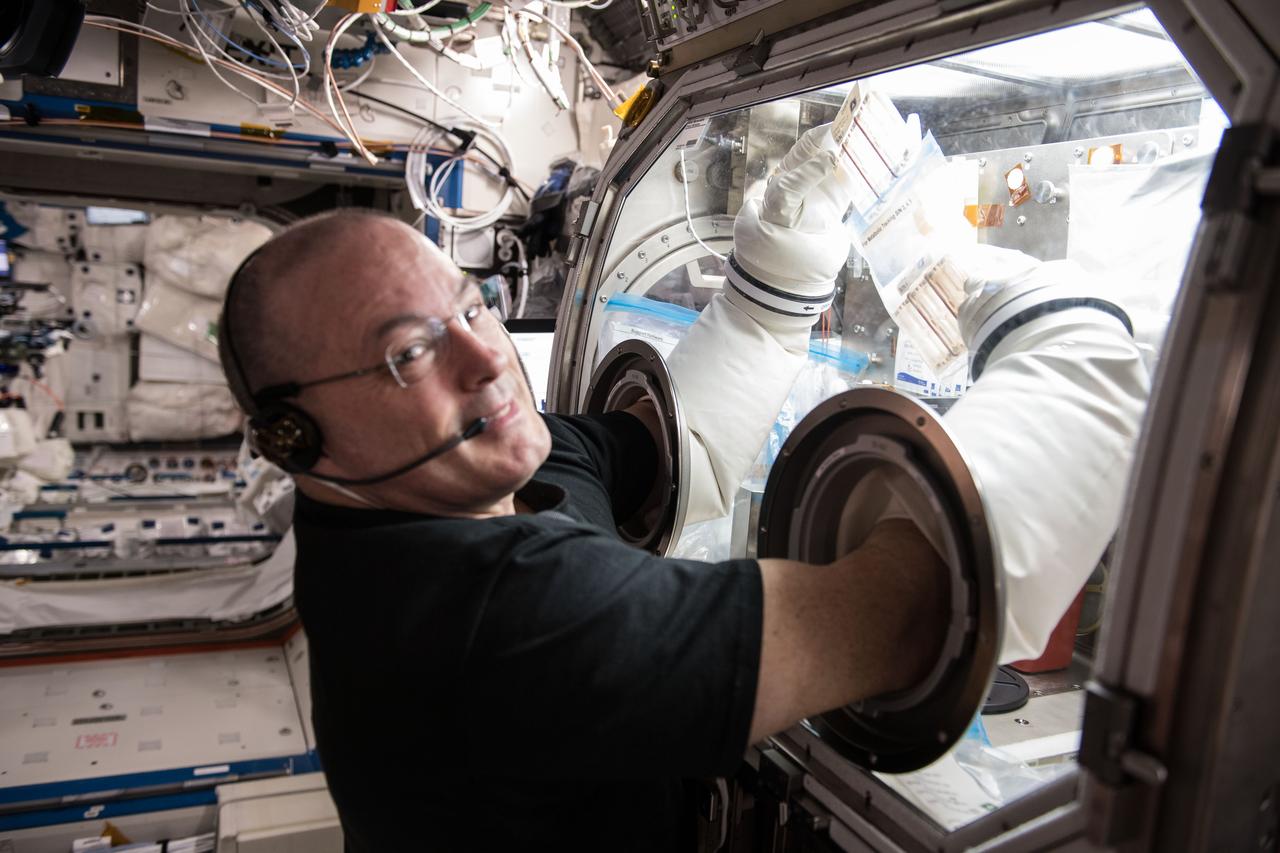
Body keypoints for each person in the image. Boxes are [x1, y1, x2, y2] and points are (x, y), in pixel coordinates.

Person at [218, 129, 1147, 851]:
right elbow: (921, 608)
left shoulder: (440, 490)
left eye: (470, 305)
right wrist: (1067, 335)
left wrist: (774, 278)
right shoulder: (501, 622)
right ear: (298, 441)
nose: (487, 358)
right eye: (410, 352)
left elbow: (664, 456)